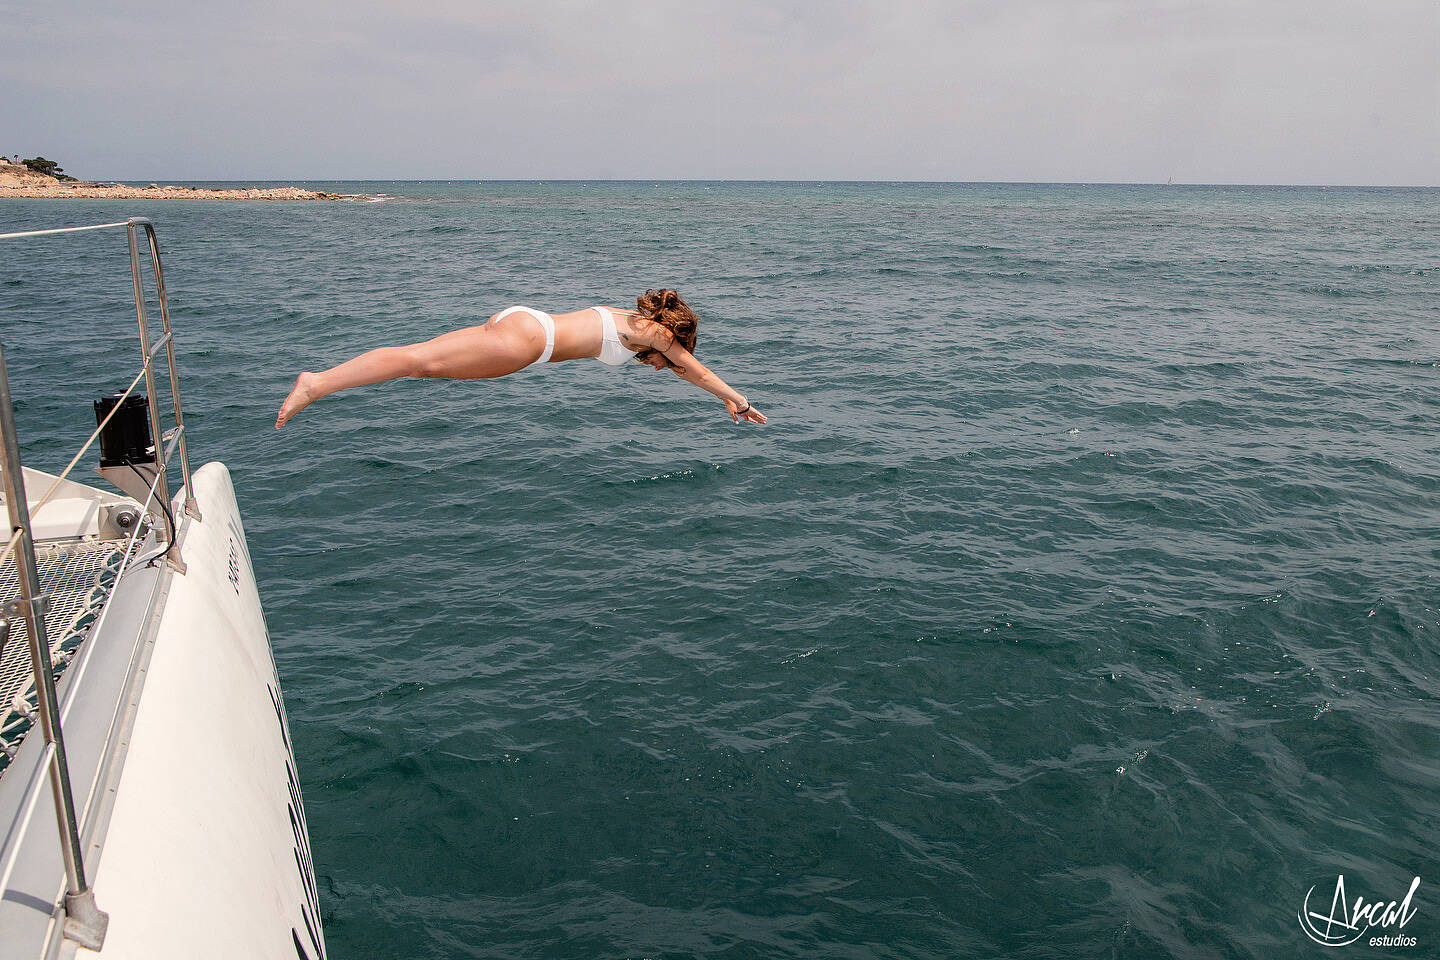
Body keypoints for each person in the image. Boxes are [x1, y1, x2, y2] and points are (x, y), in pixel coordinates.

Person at [275, 289, 766, 429]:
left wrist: (719, 399)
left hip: (526, 325)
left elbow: (686, 373)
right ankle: (316, 384)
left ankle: (319, 383)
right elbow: (695, 371)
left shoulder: (635, 324)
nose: (665, 366)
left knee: (418, 358)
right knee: (416, 363)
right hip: (528, 344)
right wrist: (739, 401)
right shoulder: (657, 334)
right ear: (674, 332)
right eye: (670, 356)